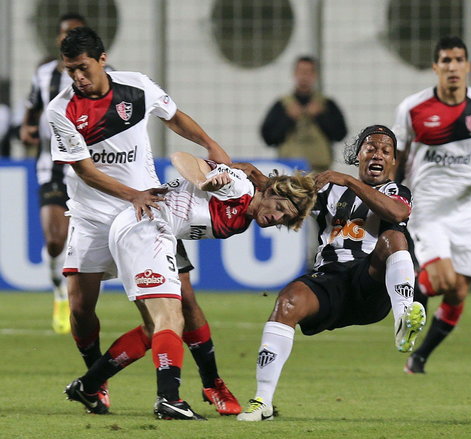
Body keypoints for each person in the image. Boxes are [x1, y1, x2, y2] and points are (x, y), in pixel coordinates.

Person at [47, 27, 235, 415]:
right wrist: (131, 194)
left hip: (148, 210)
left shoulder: (137, 87)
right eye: (70, 71)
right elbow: (84, 171)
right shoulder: (61, 110)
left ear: (102, 59)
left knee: (181, 300)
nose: (77, 78)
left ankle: (212, 383)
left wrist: (210, 145)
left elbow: (175, 117)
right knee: (80, 308)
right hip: (93, 214)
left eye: (82, 68)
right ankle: (94, 385)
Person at [64, 152, 316, 419]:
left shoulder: (242, 220)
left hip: (150, 229)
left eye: (284, 220)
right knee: (171, 318)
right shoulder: (239, 187)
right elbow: (181, 157)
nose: (276, 218)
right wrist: (202, 180)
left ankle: (88, 385)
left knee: (155, 328)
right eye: (279, 209)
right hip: (146, 225)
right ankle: (169, 399)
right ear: (272, 193)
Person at [236, 125, 426, 421]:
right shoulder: (329, 188)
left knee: (394, 238)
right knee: (287, 302)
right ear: (359, 155)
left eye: (385, 151)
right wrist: (256, 181)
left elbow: (398, 214)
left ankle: (404, 319)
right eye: (371, 148)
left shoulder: (395, 192)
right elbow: (288, 197)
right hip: (330, 280)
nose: (378, 154)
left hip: (369, 280)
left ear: (393, 162)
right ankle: (262, 401)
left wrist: (349, 181)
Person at [392, 36, 471, 375]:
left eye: (458, 59)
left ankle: (418, 358)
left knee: (459, 291)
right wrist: (394, 195)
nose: (452, 66)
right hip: (428, 204)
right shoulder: (412, 108)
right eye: (445, 60)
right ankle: (408, 305)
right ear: (435, 67)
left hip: (467, 207)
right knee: (445, 279)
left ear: (466, 66)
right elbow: (398, 156)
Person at [20, 13, 88, 334]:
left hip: (90, 166)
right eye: (65, 35)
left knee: (84, 240)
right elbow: (32, 109)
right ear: (59, 39)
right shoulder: (44, 74)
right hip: (52, 165)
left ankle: (81, 300)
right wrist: (27, 128)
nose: (68, 39)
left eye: (75, 34)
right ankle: (60, 292)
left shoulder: (104, 74)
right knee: (55, 239)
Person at [260, 55, 347, 173]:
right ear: (294, 74)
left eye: (308, 72)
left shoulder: (326, 104)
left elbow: (340, 134)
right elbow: (268, 138)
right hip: (289, 171)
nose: (304, 76)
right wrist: (288, 119)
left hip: (320, 171)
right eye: (301, 72)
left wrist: (321, 116)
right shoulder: (282, 105)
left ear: (315, 75)